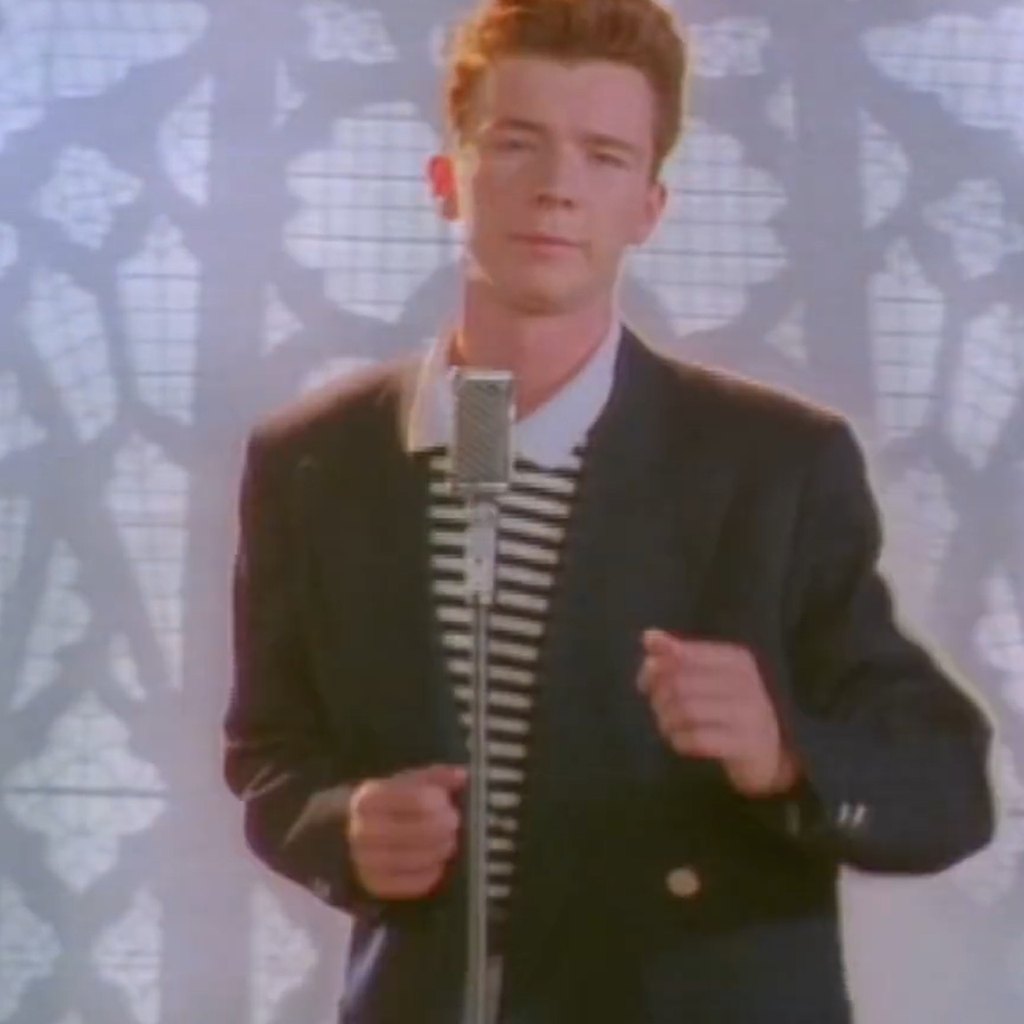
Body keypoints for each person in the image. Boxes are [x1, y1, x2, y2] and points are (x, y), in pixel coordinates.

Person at [222, 1, 997, 1022]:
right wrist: (343, 828)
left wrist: (782, 751)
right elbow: (270, 748)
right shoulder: (318, 463)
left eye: (603, 156)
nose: (557, 188)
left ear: (649, 207)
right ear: (447, 179)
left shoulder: (773, 467)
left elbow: (946, 787)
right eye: (517, 143)